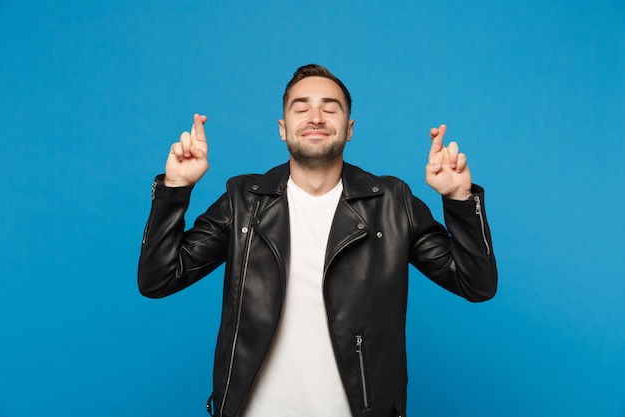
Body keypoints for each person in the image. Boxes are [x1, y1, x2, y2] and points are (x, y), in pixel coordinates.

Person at [138, 64, 497, 417]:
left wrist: (459, 199)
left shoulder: (391, 202)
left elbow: (475, 284)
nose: (316, 117)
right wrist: (175, 189)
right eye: (301, 107)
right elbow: (159, 279)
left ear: (349, 128)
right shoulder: (243, 200)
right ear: (283, 128)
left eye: (330, 107)